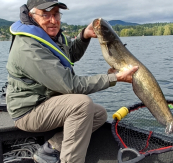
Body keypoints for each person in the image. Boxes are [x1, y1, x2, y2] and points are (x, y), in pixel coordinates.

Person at [6, 0, 138, 163]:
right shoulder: (28, 47)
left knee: (98, 114)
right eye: (46, 15)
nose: (53, 20)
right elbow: (71, 85)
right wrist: (114, 78)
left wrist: (84, 36)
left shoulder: (49, 35)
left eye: (56, 14)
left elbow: (69, 56)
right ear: (32, 15)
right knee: (81, 104)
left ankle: (51, 148)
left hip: (46, 102)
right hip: (28, 112)